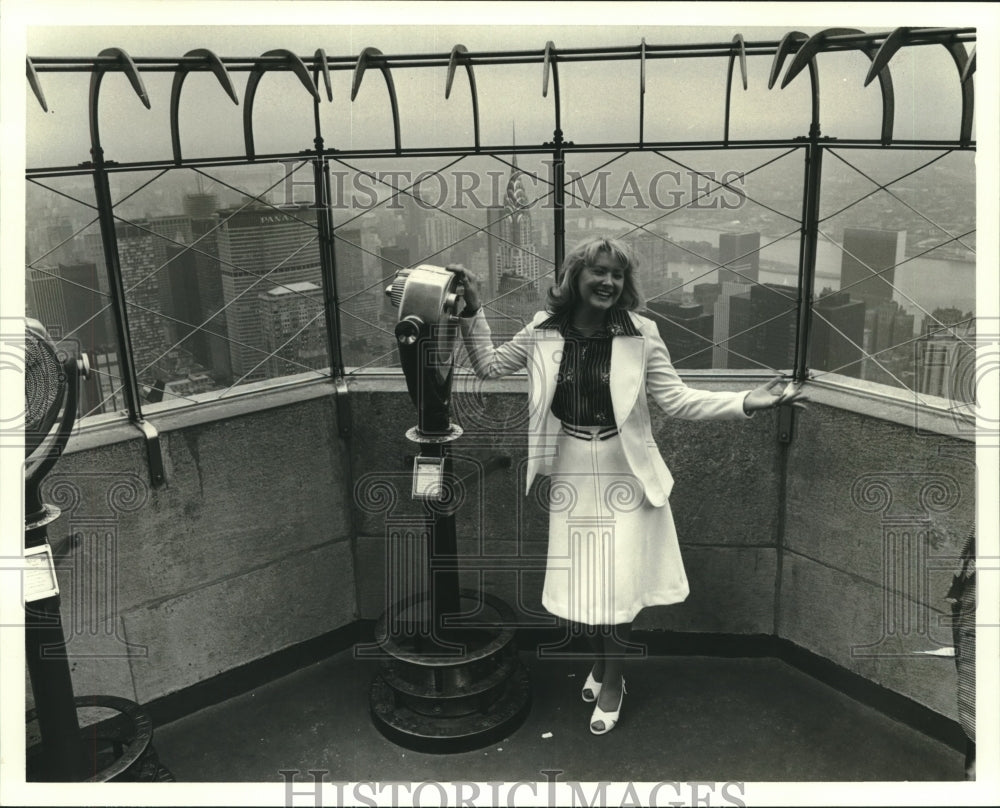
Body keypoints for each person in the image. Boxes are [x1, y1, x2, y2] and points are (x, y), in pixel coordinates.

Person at [452, 236, 806, 735]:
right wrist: (472, 309)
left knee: (617, 586)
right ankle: (600, 664)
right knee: (594, 583)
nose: (608, 282)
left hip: (627, 472)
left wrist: (748, 400)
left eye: (617, 275)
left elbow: (678, 401)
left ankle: (614, 677)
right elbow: (488, 366)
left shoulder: (642, 333)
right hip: (572, 469)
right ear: (574, 277)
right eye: (598, 271)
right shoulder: (543, 330)